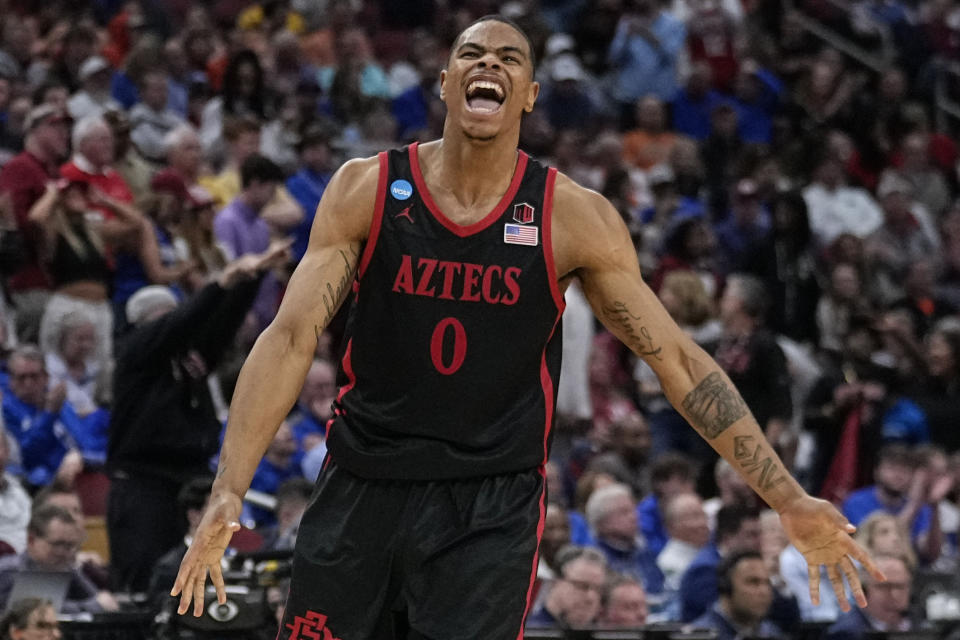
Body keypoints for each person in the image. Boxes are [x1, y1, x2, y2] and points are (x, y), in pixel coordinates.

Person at [173, 16, 882, 640]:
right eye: (473, 54)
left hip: (488, 504)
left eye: (511, 59)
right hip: (362, 480)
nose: (490, 65)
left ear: (532, 95)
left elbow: (678, 361)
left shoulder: (572, 216)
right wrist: (228, 489)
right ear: (445, 82)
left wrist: (786, 496)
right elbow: (291, 338)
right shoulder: (367, 188)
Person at [107, 245, 289, 594]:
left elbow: (220, 328)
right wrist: (219, 284)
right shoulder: (135, 355)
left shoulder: (188, 358)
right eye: (163, 317)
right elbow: (184, 321)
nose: (173, 322)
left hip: (190, 481)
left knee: (203, 577)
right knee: (147, 583)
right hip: (144, 483)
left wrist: (250, 279)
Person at [0, 505, 117, 614]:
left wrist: (98, 603)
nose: (64, 553)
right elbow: (35, 611)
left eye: (70, 546)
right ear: (31, 540)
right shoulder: (9, 572)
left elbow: (100, 599)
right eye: (57, 544)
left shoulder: (64, 567)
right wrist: (90, 606)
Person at [691, 550, 783, 640]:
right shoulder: (700, 635)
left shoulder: (771, 632)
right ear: (726, 587)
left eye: (768, 583)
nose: (764, 591)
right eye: (753, 582)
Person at [825, 554, 915, 639]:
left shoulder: (920, 623)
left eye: (900, 587)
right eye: (884, 587)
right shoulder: (846, 632)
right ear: (863, 591)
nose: (894, 595)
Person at [525, 546, 608, 628]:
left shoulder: (605, 633)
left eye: (598, 589)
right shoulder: (528, 631)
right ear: (556, 582)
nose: (591, 597)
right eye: (582, 586)